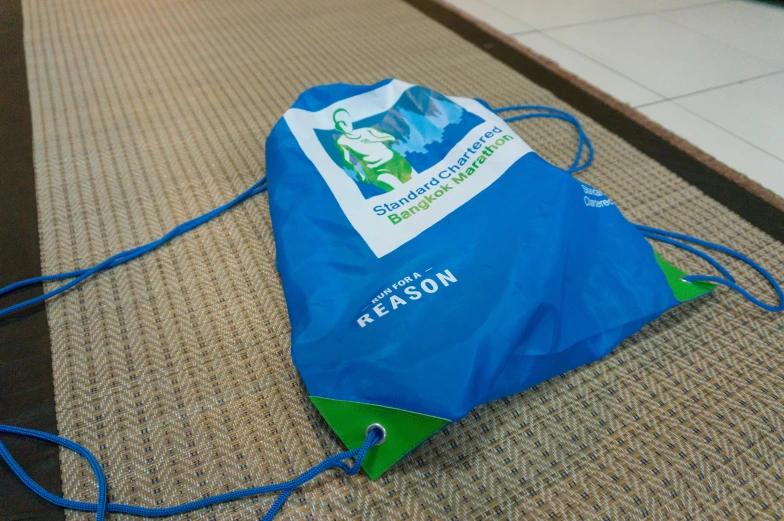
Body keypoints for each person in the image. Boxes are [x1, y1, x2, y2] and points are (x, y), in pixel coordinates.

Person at [333, 108, 415, 193]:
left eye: (346, 119)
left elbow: (386, 137)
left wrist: (375, 139)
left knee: (414, 181)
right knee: (398, 191)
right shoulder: (342, 141)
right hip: (375, 169)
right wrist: (360, 174)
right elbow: (347, 160)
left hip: (394, 159)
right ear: (337, 126)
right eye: (341, 122)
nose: (345, 123)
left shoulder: (365, 131)